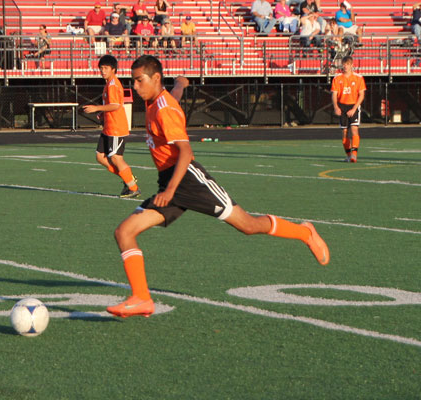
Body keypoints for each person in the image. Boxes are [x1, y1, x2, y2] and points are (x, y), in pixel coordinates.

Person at [106, 55, 330, 318]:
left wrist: (169, 191)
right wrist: (181, 84)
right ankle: (142, 298)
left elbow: (186, 152)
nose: (134, 85)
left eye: (138, 80)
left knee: (247, 225)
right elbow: (173, 95)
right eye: (132, 80)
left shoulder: (164, 109)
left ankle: (304, 233)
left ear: (155, 79)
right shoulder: (156, 98)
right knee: (124, 232)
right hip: (170, 181)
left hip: (187, 179)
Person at [82, 55, 140, 198]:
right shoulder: (109, 84)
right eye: (101, 68)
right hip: (108, 126)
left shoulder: (113, 84)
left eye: (106, 68)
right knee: (100, 157)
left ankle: (133, 187)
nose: (103, 71)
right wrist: (102, 113)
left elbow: (116, 105)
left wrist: (97, 108)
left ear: (113, 69)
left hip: (116, 127)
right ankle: (128, 179)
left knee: (115, 158)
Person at [331, 55, 366, 162]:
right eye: (344, 64)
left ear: (352, 65)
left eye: (348, 64)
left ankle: (354, 154)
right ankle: (348, 154)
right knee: (344, 132)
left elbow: (361, 95)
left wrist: (354, 109)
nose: (345, 66)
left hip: (353, 106)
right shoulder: (337, 78)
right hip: (342, 107)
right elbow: (334, 94)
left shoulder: (358, 78)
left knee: (354, 129)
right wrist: (336, 107)